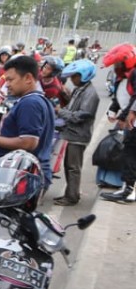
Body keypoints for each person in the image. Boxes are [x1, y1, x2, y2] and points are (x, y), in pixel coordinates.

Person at [0, 55, 56, 190]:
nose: (7, 84)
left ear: (28, 78)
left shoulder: (30, 103)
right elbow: (31, 135)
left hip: (22, 177)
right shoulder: (37, 100)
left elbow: (29, 142)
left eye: (10, 80)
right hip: (23, 174)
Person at [53, 60, 101, 206]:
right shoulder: (79, 90)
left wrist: (60, 112)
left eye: (75, 76)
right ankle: (70, 194)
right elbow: (70, 108)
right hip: (71, 133)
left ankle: (72, 196)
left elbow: (80, 116)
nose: (73, 79)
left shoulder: (91, 94)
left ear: (84, 75)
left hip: (78, 135)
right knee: (69, 166)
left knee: (73, 167)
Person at [101, 42, 136, 202]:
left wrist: (125, 116)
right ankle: (126, 187)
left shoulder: (134, 74)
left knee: (130, 155)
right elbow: (119, 96)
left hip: (132, 123)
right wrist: (113, 110)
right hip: (130, 122)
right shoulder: (123, 77)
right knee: (128, 154)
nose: (116, 67)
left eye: (118, 63)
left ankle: (128, 190)